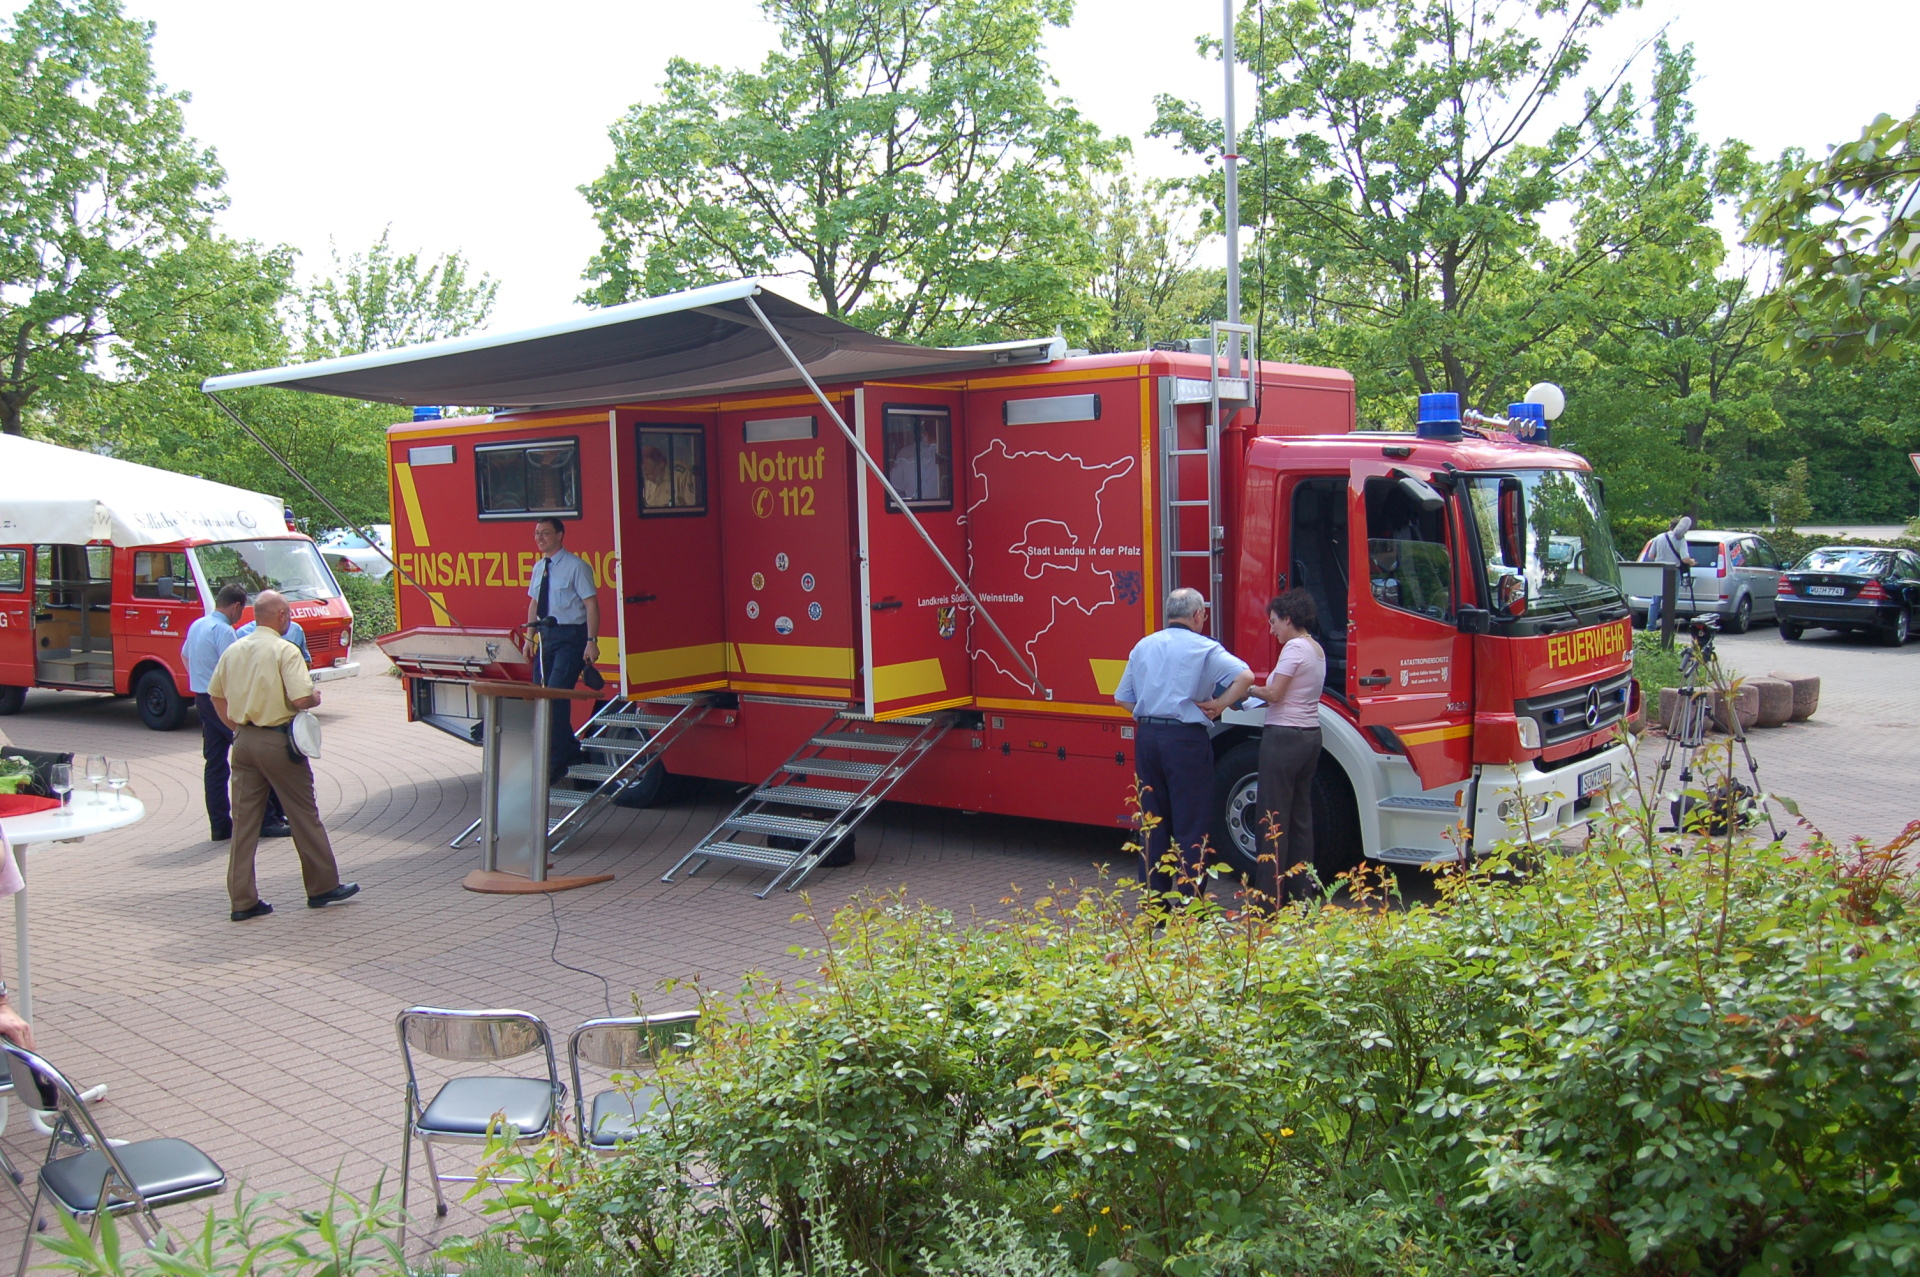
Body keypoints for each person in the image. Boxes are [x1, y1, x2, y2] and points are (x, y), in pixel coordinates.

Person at [207, 590, 358, 922]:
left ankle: (242, 900)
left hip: (244, 740)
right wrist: (315, 697)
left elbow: (215, 695)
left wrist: (237, 728)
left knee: (245, 823)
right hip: (278, 740)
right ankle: (322, 886)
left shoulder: (234, 649)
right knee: (303, 813)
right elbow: (301, 698)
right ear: (281, 616)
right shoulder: (284, 650)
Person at [1114, 588, 1255, 900]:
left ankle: (1155, 903)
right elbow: (1245, 676)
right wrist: (1219, 704)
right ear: (1197, 615)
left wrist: (1151, 712)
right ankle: (1190, 901)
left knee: (1153, 822)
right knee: (1191, 823)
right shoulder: (1205, 647)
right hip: (1185, 740)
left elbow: (1122, 698)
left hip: (1148, 737)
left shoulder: (1144, 645)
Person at [182, 584, 289, 842]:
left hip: (202, 697)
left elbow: (184, 656)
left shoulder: (197, 625)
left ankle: (219, 825)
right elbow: (236, 666)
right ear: (236, 606)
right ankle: (267, 819)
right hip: (223, 700)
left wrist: (200, 679)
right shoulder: (224, 631)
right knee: (254, 753)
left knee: (215, 763)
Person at [1247, 590, 1327, 907]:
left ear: (1288, 619)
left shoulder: (1293, 648)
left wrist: (1245, 688)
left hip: (1283, 737)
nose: (1272, 630)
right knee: (1299, 819)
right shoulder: (1316, 648)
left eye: (1274, 622)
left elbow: (1274, 694)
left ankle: (1267, 901)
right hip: (1310, 735)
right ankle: (1301, 894)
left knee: (1271, 816)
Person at [526, 518, 600, 783]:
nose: (539, 538)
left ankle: (556, 761)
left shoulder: (576, 566)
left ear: (560, 535)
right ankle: (570, 751)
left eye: (545, 533)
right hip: (546, 637)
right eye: (537, 533)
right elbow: (534, 603)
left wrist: (591, 641)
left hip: (571, 637)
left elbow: (591, 605)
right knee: (541, 695)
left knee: (556, 696)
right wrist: (529, 637)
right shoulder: (539, 567)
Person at [1643, 515, 1696, 631]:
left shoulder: (1658, 537)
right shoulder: (1680, 539)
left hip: (1658, 570)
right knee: (1670, 601)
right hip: (1673, 571)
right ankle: (1666, 628)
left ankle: (1650, 628)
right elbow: (1685, 559)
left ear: (1669, 526)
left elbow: (1651, 555)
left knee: (1655, 601)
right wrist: (1692, 562)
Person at [888, 417, 945, 503]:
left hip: (913, 508)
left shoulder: (907, 456)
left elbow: (889, 484)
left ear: (924, 434)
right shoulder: (948, 457)